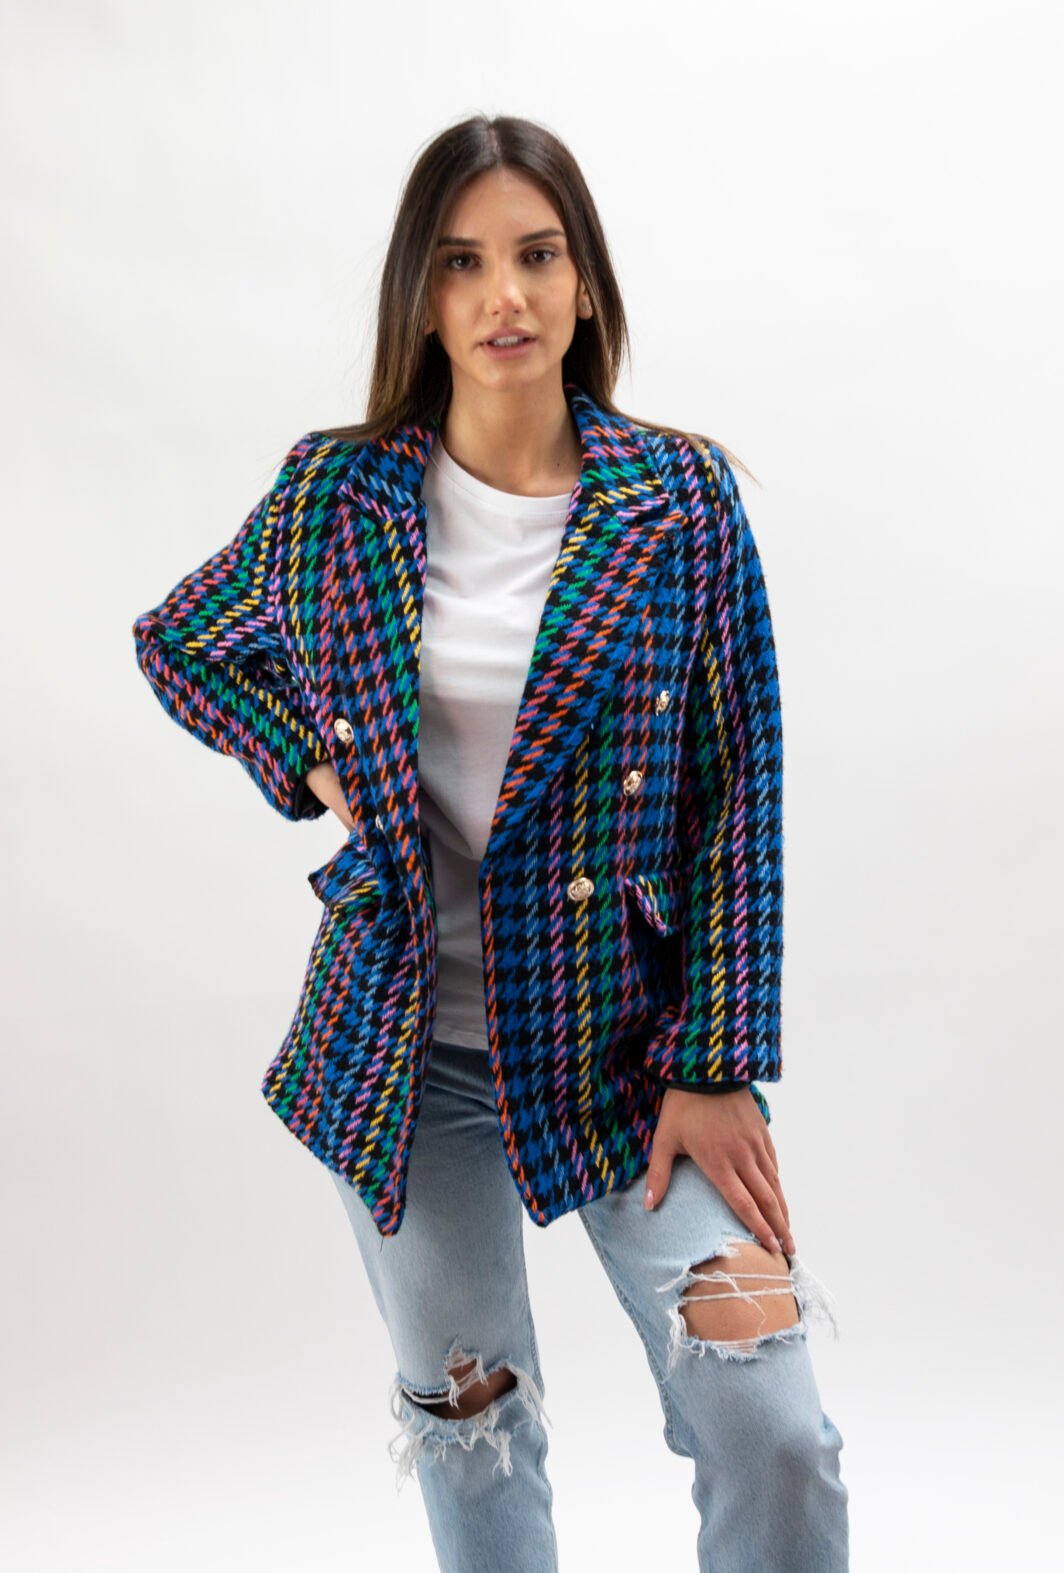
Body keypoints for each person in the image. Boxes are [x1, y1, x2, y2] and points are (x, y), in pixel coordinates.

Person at [132, 112, 850, 1572]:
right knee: (475, 1430)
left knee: (770, 1420)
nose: (503, 296)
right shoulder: (334, 498)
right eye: (461, 263)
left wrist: (719, 1064)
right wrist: (309, 761)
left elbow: (739, 794)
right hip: (404, 1061)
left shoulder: (679, 503)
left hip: (635, 1049)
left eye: (536, 255)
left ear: (585, 284)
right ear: (423, 296)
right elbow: (179, 641)